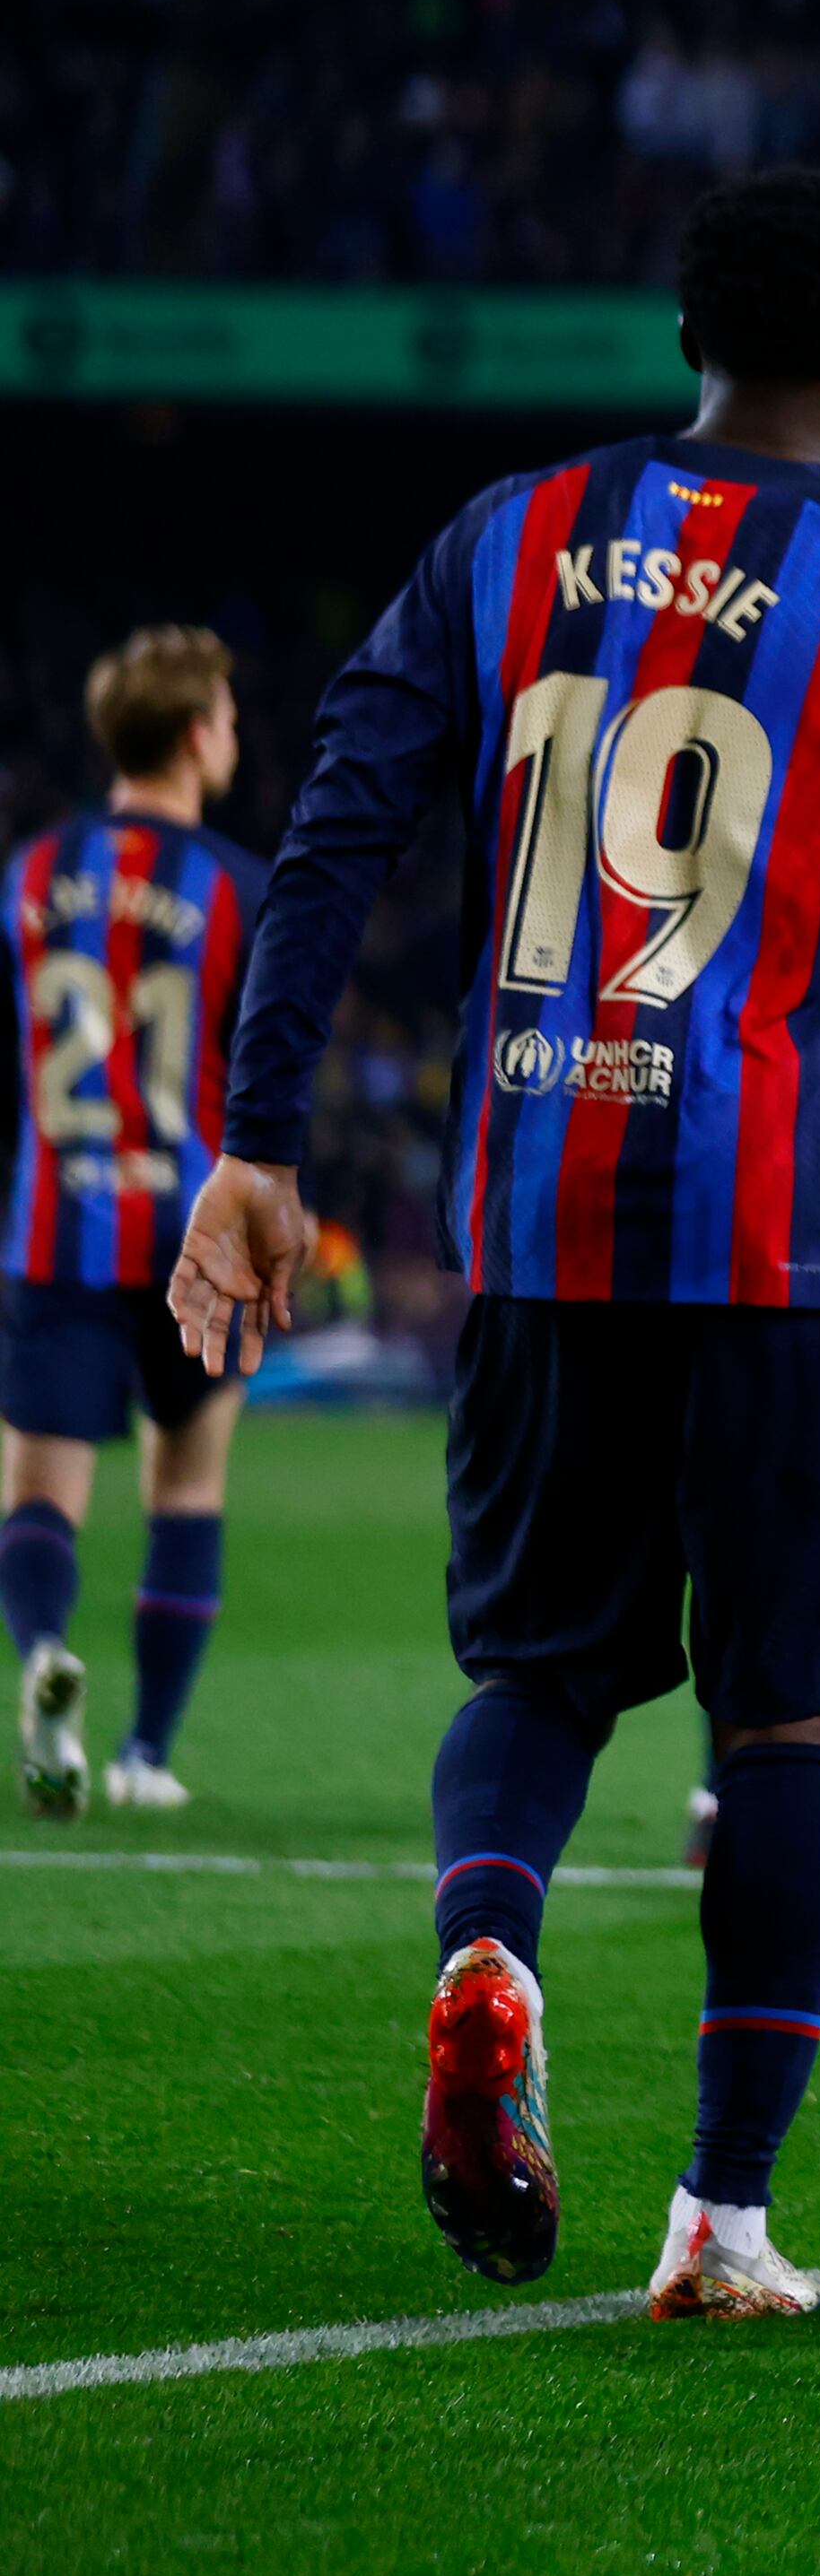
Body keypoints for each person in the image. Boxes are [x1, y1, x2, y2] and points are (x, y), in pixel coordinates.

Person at [169, 167, 820, 2326]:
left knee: (541, 1674)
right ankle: (724, 2222)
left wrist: (260, 1143)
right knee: (790, 1724)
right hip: (792, 1243)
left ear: (686, 334)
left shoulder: (502, 534)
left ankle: (491, 1937)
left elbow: (336, 827)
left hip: (541, 1211)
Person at [7, 630, 268, 1816]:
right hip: (189, 1238)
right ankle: (143, 1752)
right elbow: (266, 1072)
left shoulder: (25, 874)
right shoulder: (234, 885)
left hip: (54, 1229)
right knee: (187, 1486)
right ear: (196, 733)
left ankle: (43, 1653)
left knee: (40, 1494)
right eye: (223, 710)